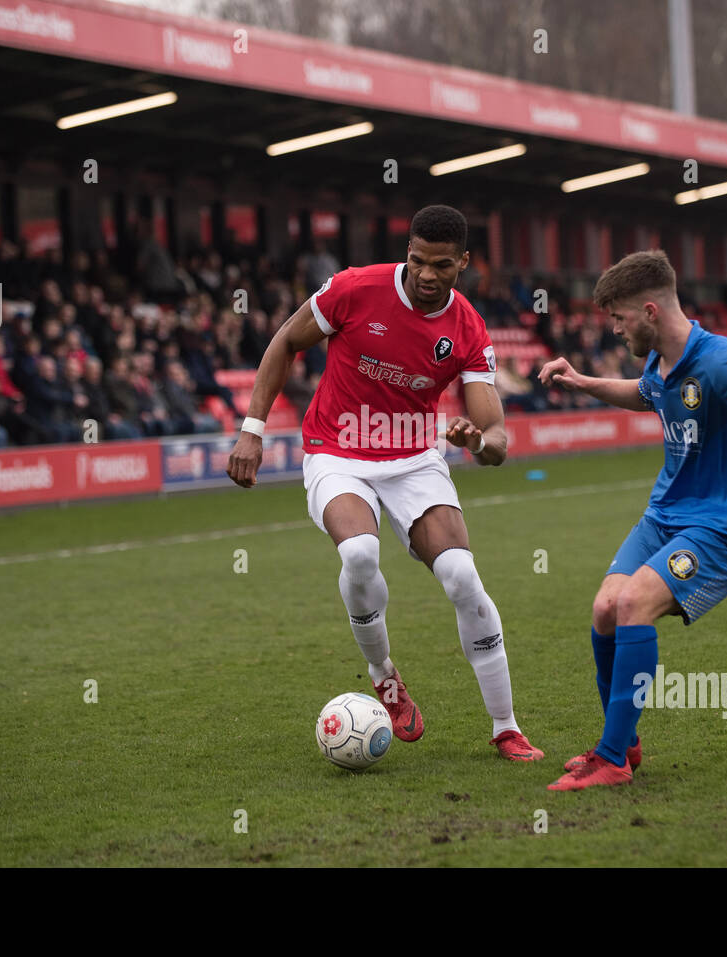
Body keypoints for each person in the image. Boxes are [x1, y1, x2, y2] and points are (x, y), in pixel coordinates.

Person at [226, 204, 543, 762]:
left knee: (462, 576)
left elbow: (496, 437)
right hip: (337, 451)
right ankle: (384, 676)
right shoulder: (354, 288)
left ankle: (505, 726)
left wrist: (477, 442)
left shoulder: (467, 325)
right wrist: (252, 430)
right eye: (416, 260)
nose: (425, 274)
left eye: (441, 266)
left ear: (464, 263)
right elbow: (285, 342)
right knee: (360, 555)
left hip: (415, 459)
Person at [537, 250, 727, 791]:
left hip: (723, 526)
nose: (615, 330)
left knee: (632, 604)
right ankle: (623, 740)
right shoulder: (659, 359)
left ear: (650, 311)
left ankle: (612, 760)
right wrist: (584, 383)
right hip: (665, 515)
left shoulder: (722, 363)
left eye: (620, 320)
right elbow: (645, 394)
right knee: (605, 608)